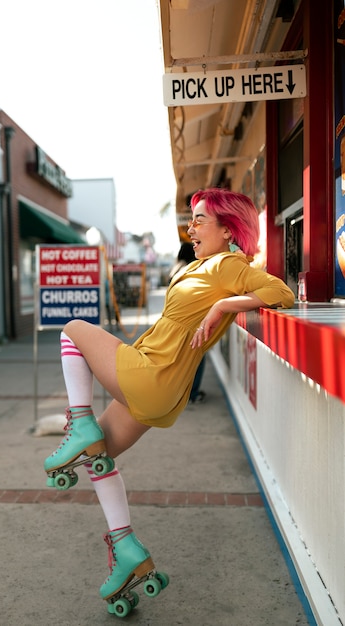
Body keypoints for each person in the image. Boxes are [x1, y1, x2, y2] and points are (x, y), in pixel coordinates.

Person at [43, 188, 295, 613]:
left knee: (72, 330)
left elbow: (282, 294)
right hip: (161, 387)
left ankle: (78, 421)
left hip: (152, 375)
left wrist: (223, 307)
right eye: (191, 220)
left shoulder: (229, 264)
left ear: (228, 229)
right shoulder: (207, 265)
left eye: (200, 220)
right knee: (98, 456)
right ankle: (127, 552)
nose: (191, 228)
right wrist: (220, 305)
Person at [169, 242, 207, 403]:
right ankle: (192, 394)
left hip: (174, 322)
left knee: (182, 360)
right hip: (191, 323)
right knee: (196, 358)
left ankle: (180, 394)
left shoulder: (176, 269)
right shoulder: (193, 269)